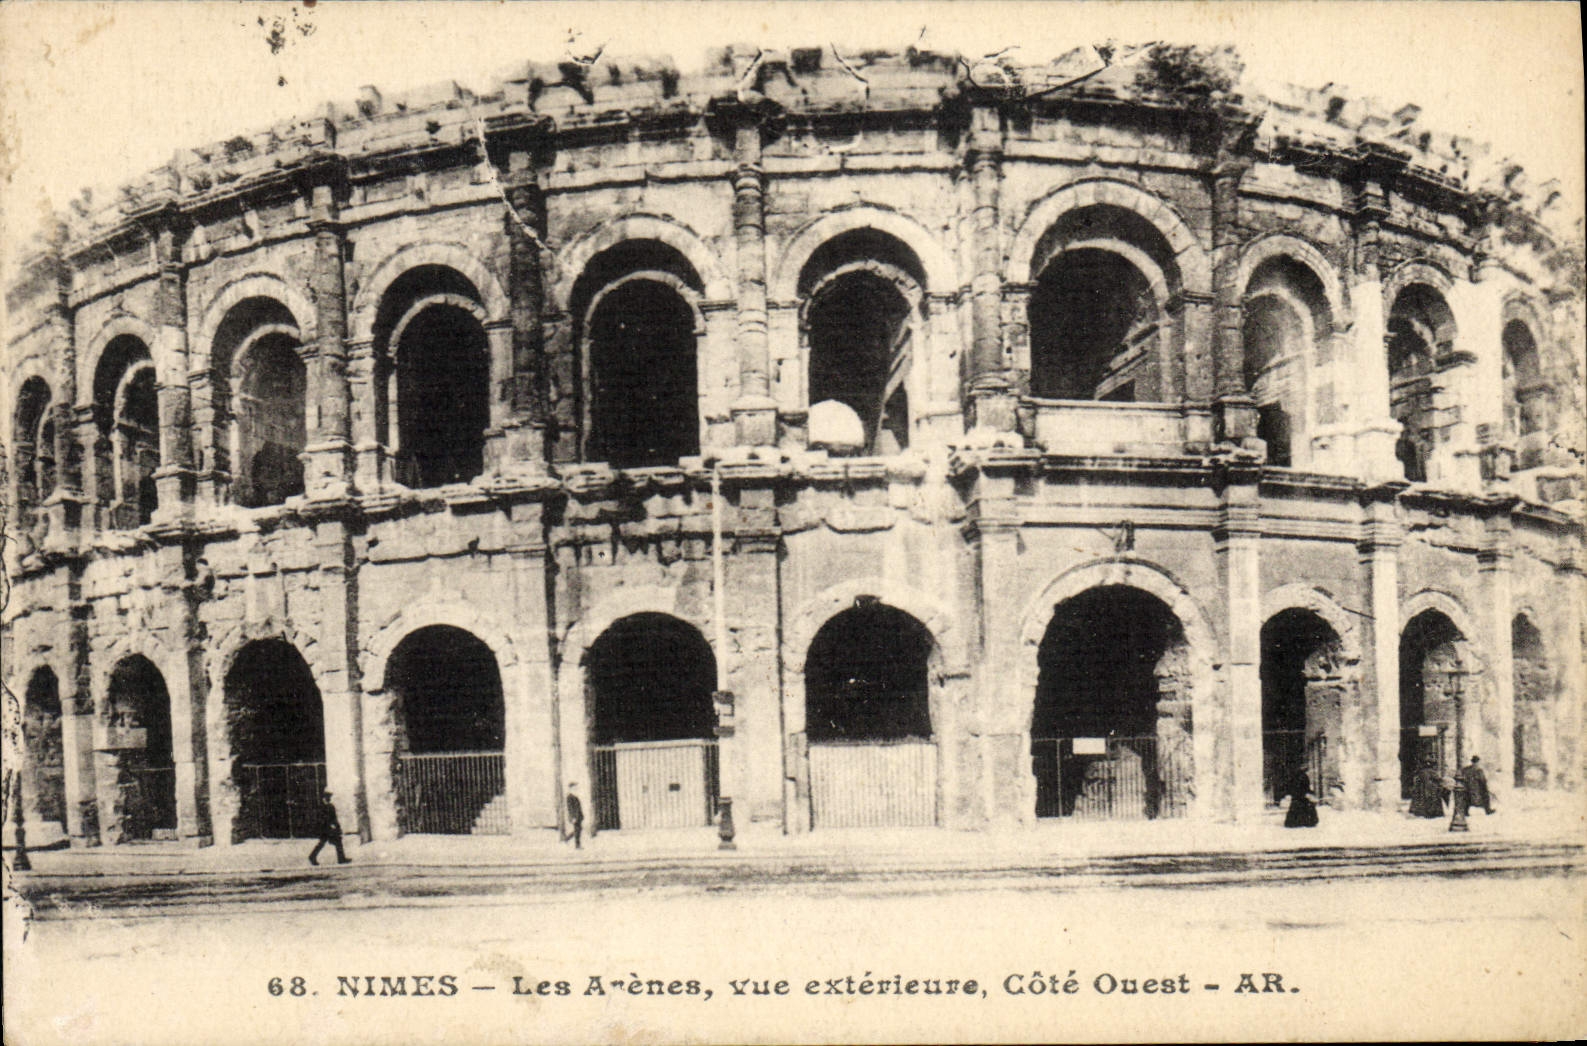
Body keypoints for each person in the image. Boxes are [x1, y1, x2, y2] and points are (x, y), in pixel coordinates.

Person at [308, 791, 350, 865]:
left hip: (328, 828)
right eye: (327, 797)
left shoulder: (330, 806)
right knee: (334, 842)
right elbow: (319, 818)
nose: (328, 799)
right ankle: (341, 859)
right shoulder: (321, 807)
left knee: (329, 842)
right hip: (324, 828)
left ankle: (312, 856)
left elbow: (334, 818)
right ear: (323, 798)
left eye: (329, 797)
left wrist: (337, 826)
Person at [563, 782, 584, 849]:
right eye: (574, 787)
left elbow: (578, 807)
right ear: (570, 788)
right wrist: (573, 817)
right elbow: (570, 808)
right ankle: (576, 845)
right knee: (577, 830)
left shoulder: (575, 796)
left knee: (578, 829)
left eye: (576, 787)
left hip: (578, 816)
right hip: (575, 816)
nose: (576, 789)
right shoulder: (569, 797)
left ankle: (567, 839)